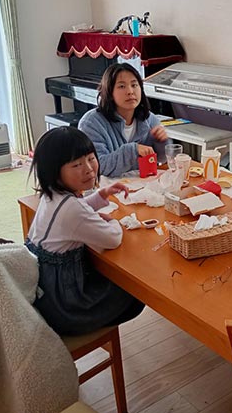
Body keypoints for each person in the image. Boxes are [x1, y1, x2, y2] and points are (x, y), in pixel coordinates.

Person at [26, 126, 144, 336]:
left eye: (91, 159)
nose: (89, 169)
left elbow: (76, 213)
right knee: (137, 287)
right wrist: (114, 222)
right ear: (54, 171)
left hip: (45, 293)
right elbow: (112, 239)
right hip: (66, 307)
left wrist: (102, 195)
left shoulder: (51, 195)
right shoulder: (71, 209)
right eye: (76, 165)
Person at [78, 63, 170, 177]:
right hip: (108, 187)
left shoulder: (150, 119)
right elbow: (97, 167)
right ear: (109, 92)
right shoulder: (91, 123)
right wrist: (132, 151)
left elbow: (161, 160)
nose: (130, 91)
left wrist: (161, 142)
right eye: (122, 86)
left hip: (141, 184)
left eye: (134, 85)